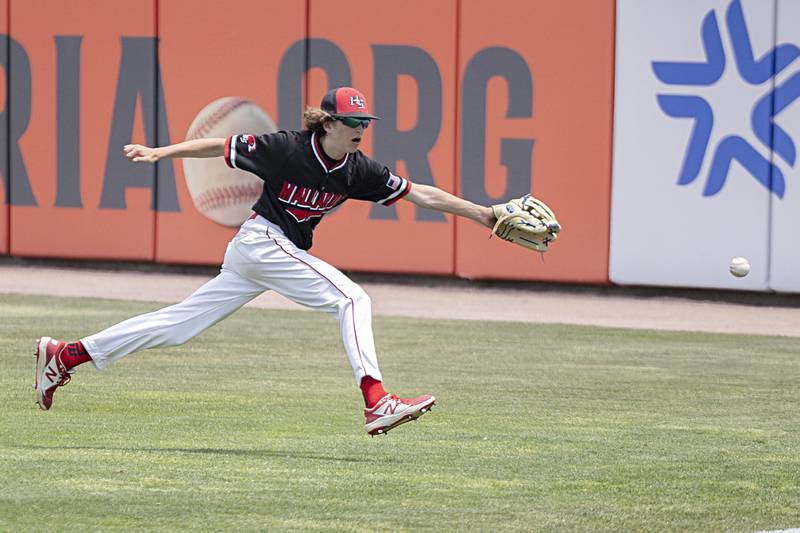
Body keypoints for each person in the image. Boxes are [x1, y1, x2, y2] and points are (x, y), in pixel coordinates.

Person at [34, 87, 496, 435]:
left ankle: (67, 354)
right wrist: (162, 152)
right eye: (352, 120)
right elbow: (218, 145)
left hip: (261, 253)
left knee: (178, 327)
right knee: (352, 299)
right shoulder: (288, 148)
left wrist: (483, 214)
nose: (361, 128)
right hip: (262, 242)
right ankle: (376, 400)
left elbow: (421, 193)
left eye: (365, 121)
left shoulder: (359, 169)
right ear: (328, 123)